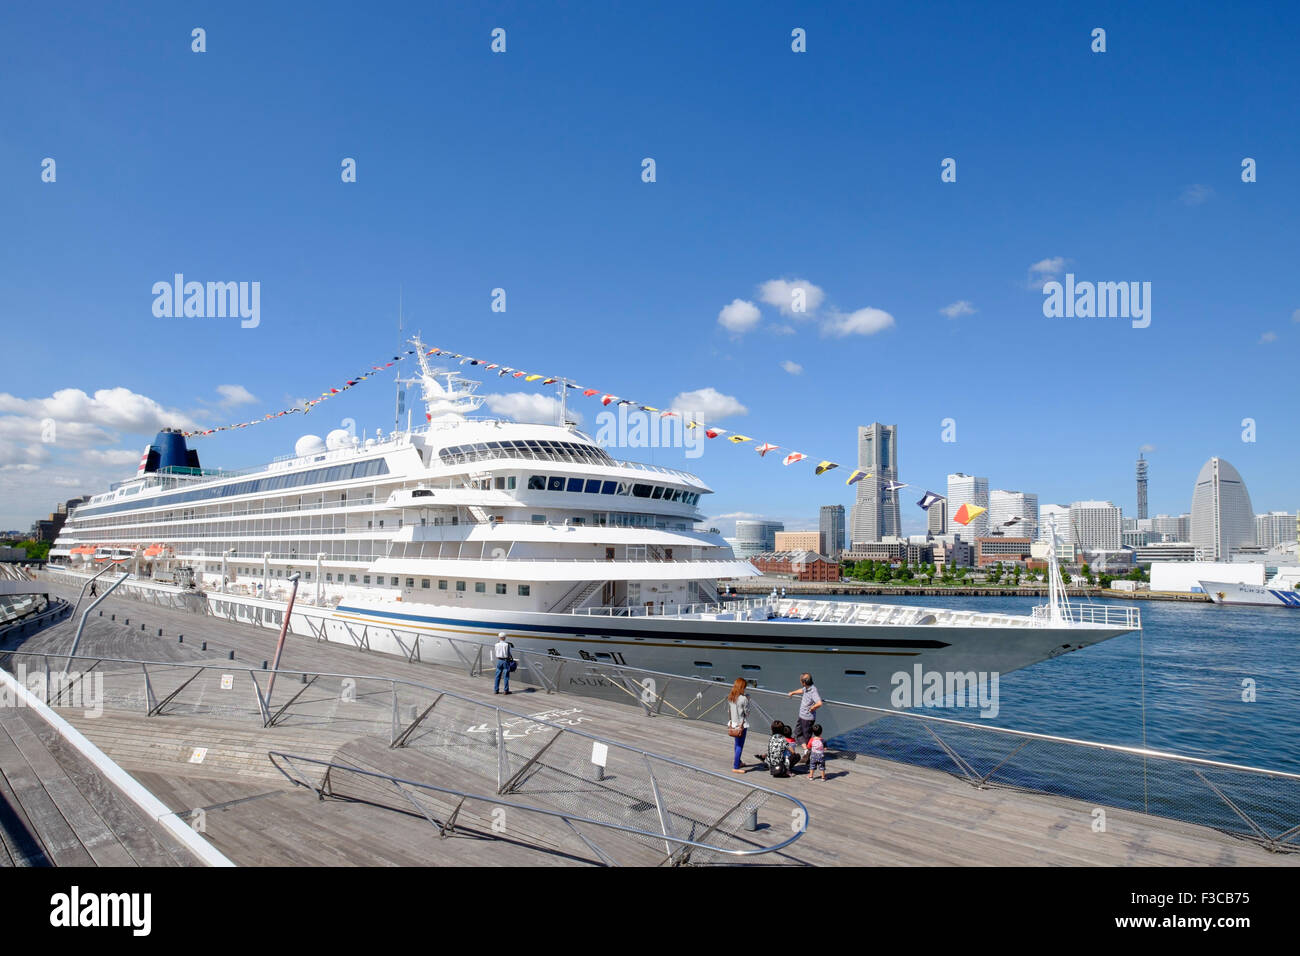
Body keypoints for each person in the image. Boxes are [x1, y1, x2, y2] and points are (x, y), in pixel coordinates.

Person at [787, 673, 823, 760]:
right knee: (797, 733)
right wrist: (793, 692)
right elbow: (802, 690)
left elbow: (819, 703)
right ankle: (806, 750)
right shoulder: (806, 688)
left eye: (801, 680)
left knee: (806, 737)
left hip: (808, 718)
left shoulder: (813, 690)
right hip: (801, 716)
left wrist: (813, 707)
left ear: (804, 682)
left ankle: (807, 756)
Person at [726, 677, 750, 773]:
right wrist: (748, 700)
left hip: (733, 723)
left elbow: (729, 711)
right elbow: (747, 713)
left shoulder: (731, 697)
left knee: (736, 744)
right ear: (742, 687)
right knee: (740, 745)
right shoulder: (744, 699)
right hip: (741, 725)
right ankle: (735, 767)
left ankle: (738, 762)